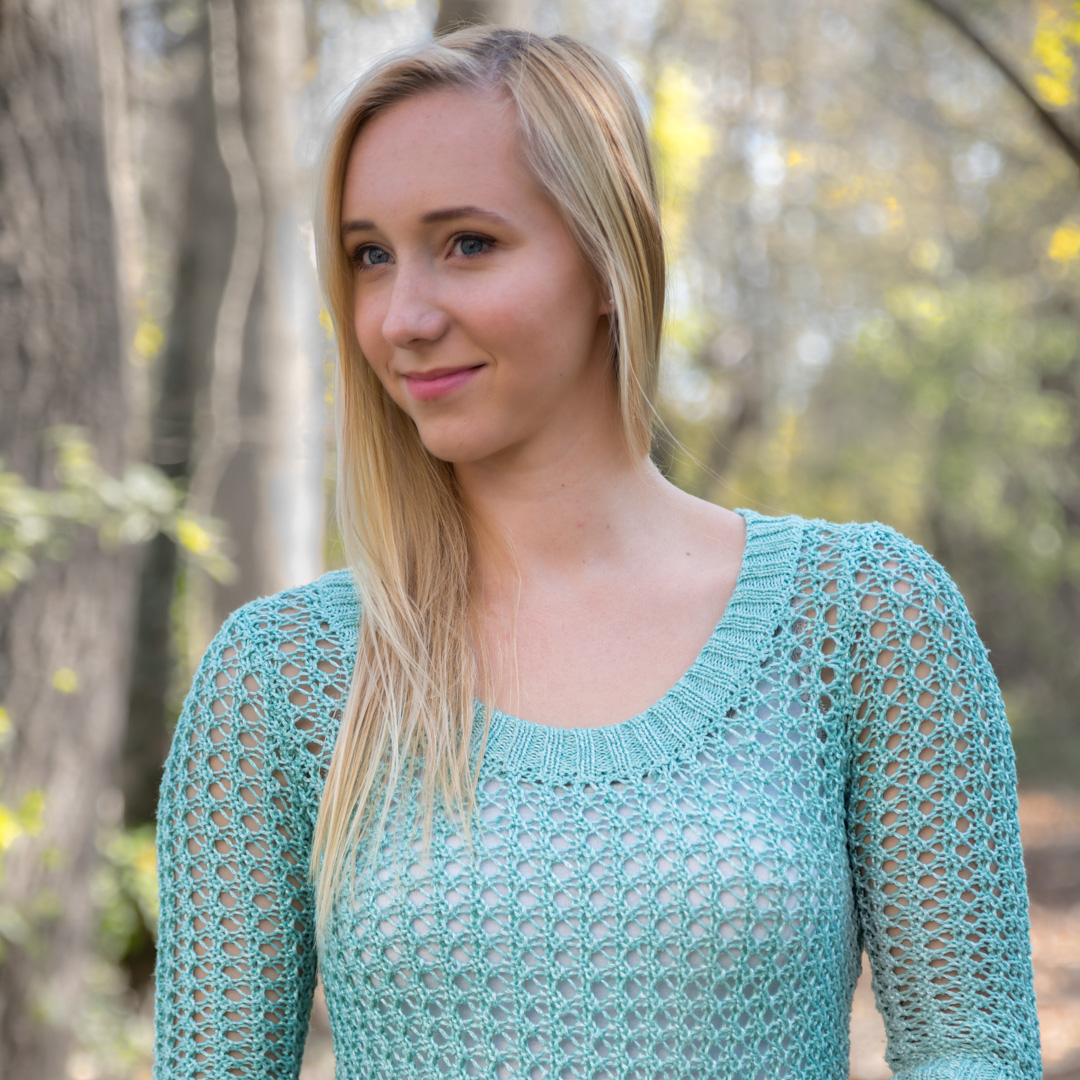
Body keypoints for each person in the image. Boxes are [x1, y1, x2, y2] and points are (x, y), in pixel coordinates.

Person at [151, 26, 1041, 1080]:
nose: (402, 315)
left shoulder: (863, 616)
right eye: (369, 256)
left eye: (468, 242)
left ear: (610, 255)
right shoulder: (283, 677)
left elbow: (970, 1052)